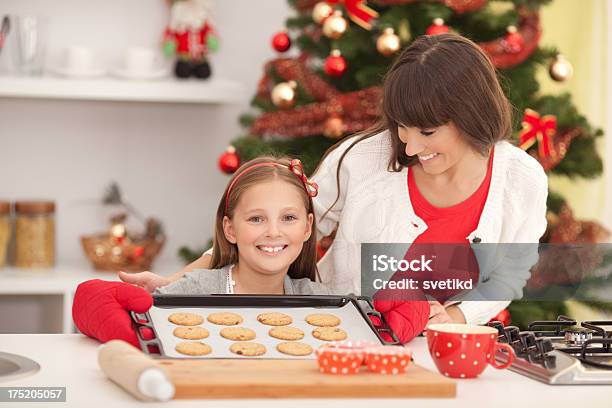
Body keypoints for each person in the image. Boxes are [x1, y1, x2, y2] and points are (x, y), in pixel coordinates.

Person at [122, 33, 548, 326]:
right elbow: (282, 228)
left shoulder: (522, 181)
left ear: (472, 116)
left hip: (437, 351)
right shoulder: (363, 159)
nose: (411, 146)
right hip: (337, 333)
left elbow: (509, 275)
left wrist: (454, 317)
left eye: (428, 132)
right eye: (401, 127)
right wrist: (176, 282)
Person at [73, 157, 430, 346]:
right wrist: (95, 304)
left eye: (288, 218)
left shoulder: (321, 300)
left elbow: (371, 325)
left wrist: (408, 306)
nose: (273, 231)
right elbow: (124, 314)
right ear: (230, 229)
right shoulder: (193, 291)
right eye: (256, 218)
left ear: (308, 228)